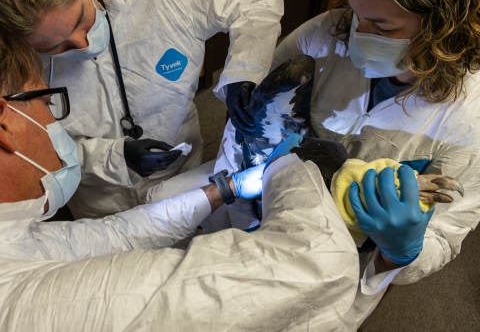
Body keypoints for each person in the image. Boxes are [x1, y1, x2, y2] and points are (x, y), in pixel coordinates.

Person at [0, 38, 359, 331]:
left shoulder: (15, 236)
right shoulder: (28, 304)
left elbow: (113, 237)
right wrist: (288, 164)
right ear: (4, 124)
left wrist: (227, 189)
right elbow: (315, 267)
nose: (55, 125)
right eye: (47, 104)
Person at [213, 0, 480, 328]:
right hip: (254, 215)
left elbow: (444, 236)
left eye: (382, 27)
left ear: (442, 26)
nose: (356, 34)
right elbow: (254, 122)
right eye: (356, 14)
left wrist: (401, 252)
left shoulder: (468, 116)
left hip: (338, 269)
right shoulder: (323, 34)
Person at [0, 0, 284, 219]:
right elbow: (39, 148)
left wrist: (243, 74)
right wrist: (116, 157)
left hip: (181, 165)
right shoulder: (18, 66)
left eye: (80, 20)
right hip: (100, 198)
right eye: (55, 47)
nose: (83, 44)